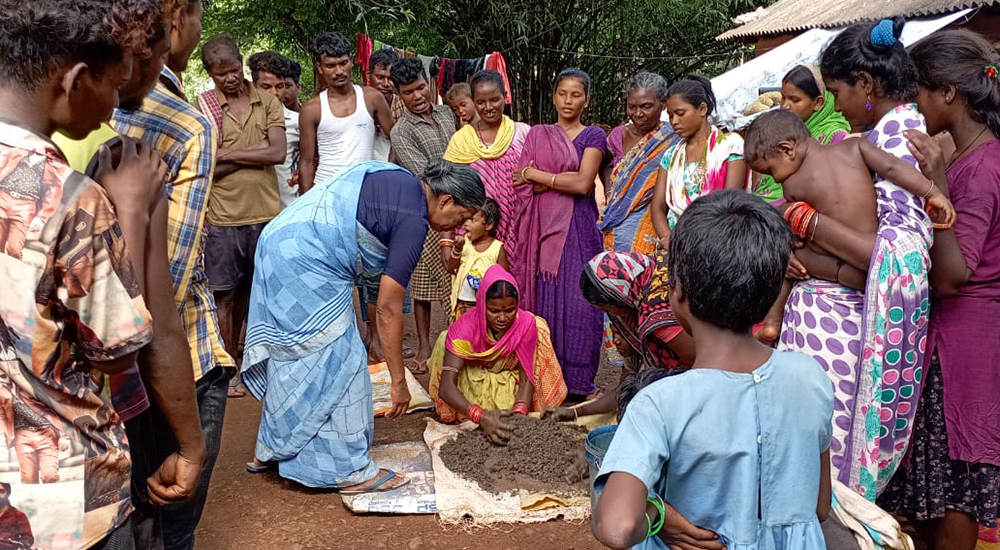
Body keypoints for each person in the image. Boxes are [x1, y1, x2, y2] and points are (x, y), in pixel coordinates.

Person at [0, 0, 172, 547]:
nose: (115, 109)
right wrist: (129, 212)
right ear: (75, 81)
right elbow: (117, 348)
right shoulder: (69, 196)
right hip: (58, 499)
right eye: (115, 89)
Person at [56, 3, 228, 546]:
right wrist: (191, 443)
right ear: (176, 18)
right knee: (166, 525)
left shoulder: (47, 130)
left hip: (61, 405)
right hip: (151, 377)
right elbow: (157, 300)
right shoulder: (182, 128)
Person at [593, 190, 833, 550]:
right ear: (770, 294)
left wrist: (657, 514)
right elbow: (820, 505)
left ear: (678, 291)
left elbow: (616, 527)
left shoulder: (658, 403)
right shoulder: (811, 377)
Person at [242, 160, 484, 491]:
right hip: (304, 259)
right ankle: (347, 469)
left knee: (297, 358)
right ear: (445, 201)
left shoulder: (400, 179)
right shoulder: (413, 221)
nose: (458, 226)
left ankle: (272, 448)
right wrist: (398, 381)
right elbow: (387, 307)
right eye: (461, 216)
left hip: (281, 242)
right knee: (339, 357)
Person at [778, 17, 933, 500]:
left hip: (851, 324)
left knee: (831, 473)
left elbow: (896, 253)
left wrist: (802, 225)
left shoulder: (898, 138)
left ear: (865, 84)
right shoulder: (880, 133)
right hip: (840, 313)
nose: (836, 104)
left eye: (837, 91)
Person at [877, 30, 1000, 550]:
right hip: (963, 341)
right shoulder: (975, 158)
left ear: (949, 93)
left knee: (958, 483)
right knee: (943, 477)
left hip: (965, 346)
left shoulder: (978, 170)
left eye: (920, 91)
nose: (914, 104)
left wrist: (938, 189)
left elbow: (952, 276)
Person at [746, 111, 954, 347]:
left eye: (770, 171)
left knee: (787, 261)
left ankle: (772, 321)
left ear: (787, 149)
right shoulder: (855, 146)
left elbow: (800, 237)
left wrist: (789, 244)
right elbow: (892, 167)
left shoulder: (793, 186)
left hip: (843, 269)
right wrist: (931, 192)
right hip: (876, 259)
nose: (774, 180)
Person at [198, 35, 286, 399]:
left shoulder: (266, 101)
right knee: (225, 296)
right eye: (221, 75)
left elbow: (278, 152)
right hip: (223, 216)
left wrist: (228, 154)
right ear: (210, 75)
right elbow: (206, 166)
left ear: (241, 64)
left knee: (260, 294)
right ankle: (229, 367)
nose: (230, 79)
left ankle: (258, 362)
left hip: (266, 214)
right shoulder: (203, 108)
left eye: (234, 70)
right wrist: (254, 152)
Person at [510, 68, 606, 398]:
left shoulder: (593, 135)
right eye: (562, 93)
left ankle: (578, 384)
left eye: (576, 94)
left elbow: (582, 184)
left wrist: (539, 175)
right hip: (543, 234)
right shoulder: (538, 133)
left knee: (581, 304)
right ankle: (546, 382)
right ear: (554, 96)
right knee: (545, 303)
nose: (568, 100)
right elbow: (519, 185)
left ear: (586, 100)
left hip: (579, 230)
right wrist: (548, 180)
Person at [544, 250, 695, 421]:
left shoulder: (656, 314)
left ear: (619, 294)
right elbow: (625, 387)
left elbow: (701, 367)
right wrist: (576, 412)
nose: (614, 316)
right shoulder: (646, 273)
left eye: (609, 308)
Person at [428, 266, 567, 442]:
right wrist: (481, 416)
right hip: (471, 377)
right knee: (443, 339)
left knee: (540, 327)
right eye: (494, 311)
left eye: (509, 310)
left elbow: (527, 378)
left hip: (507, 375)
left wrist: (519, 415)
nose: (502, 318)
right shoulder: (464, 329)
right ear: (482, 306)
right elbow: (446, 387)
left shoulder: (525, 324)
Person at [389, 57, 460, 374]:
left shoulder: (447, 113)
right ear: (398, 95)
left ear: (430, 84)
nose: (417, 97)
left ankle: (457, 340)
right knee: (424, 283)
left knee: (457, 275)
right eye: (408, 92)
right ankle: (424, 344)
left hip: (461, 206)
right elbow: (424, 174)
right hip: (426, 211)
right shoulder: (401, 132)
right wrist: (460, 174)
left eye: (420, 88)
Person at [650, 75, 747, 244]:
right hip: (677, 244)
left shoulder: (731, 145)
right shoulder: (670, 156)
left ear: (702, 109)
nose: (674, 121)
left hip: (720, 242)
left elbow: (730, 202)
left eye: (680, 113)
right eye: (671, 115)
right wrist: (667, 239)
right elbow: (657, 208)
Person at [444, 70, 531, 258]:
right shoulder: (461, 141)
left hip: (519, 231)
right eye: (481, 102)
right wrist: (446, 242)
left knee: (514, 284)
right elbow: (447, 193)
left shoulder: (522, 134)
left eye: (494, 100)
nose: (488, 107)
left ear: (505, 97)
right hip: (474, 234)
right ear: (474, 101)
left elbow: (539, 179)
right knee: (475, 284)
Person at [299, 32, 395, 192]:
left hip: (365, 189)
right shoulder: (312, 109)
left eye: (343, 63)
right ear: (320, 68)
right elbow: (306, 162)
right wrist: (305, 203)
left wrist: (388, 170)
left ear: (351, 61)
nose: (339, 71)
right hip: (326, 190)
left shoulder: (371, 98)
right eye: (330, 66)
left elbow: (397, 139)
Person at [600, 71, 680, 254]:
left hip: (655, 223)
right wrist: (610, 191)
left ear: (663, 104)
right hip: (615, 220)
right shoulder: (617, 136)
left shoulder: (673, 137)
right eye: (631, 107)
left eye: (646, 106)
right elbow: (606, 163)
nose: (637, 113)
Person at [753, 64, 851, 203]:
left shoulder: (835, 138)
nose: (785, 106)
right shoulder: (780, 134)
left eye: (794, 100)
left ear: (818, 103)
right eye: (783, 98)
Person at [249, 51, 303, 208]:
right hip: (251, 209)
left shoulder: (297, 121)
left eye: (280, 86)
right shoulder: (242, 121)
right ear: (254, 86)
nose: (274, 93)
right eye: (266, 87)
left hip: (287, 206)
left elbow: (311, 159)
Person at [446, 198, 509, 319]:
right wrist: (457, 250)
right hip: (461, 304)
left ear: (488, 225)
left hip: (485, 308)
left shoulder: (497, 249)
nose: (466, 223)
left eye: (472, 220)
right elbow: (450, 267)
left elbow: (505, 281)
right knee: (461, 335)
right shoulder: (465, 243)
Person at [369, 48, 399, 161]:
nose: (386, 84)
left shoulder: (404, 107)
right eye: (380, 77)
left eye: (390, 78)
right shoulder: (357, 104)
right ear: (369, 75)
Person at [0, 483, 32, 550]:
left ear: (8, 493)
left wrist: (22, 548)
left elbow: (27, 538)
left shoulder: (18, 515)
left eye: (1, 491)